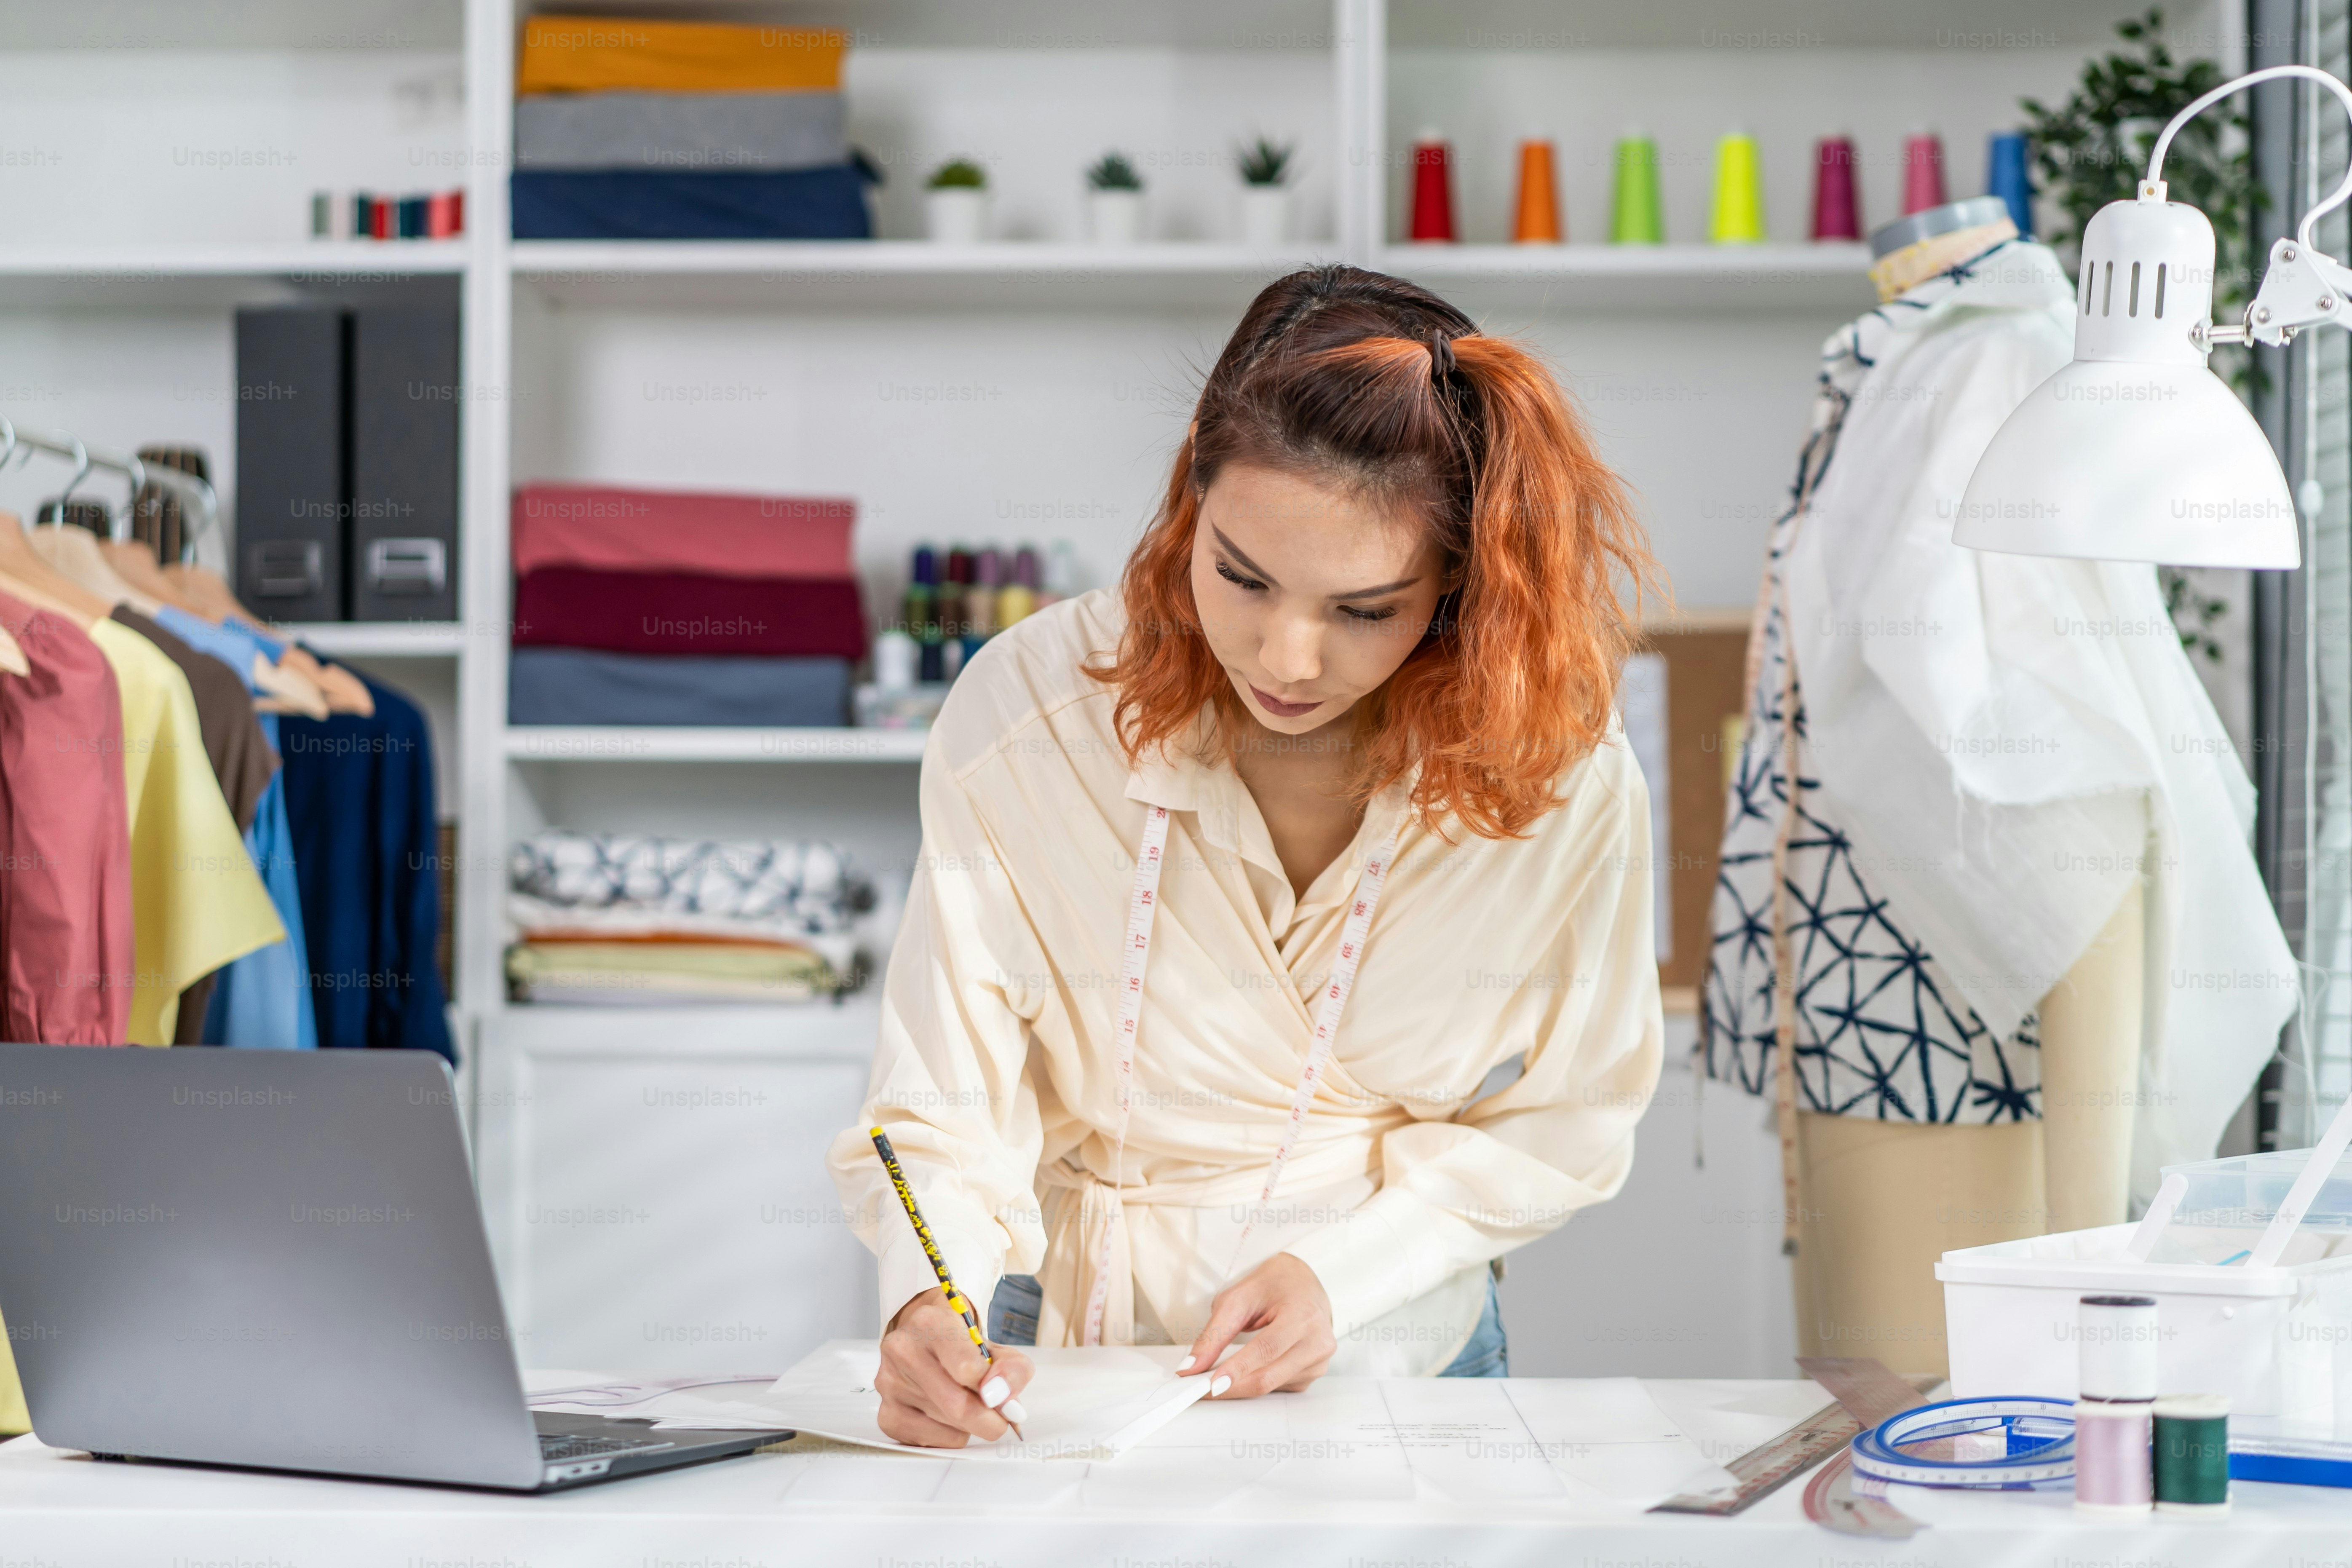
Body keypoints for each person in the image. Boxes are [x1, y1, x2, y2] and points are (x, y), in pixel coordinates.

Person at [827, 264, 1666, 1448]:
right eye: (1241, 574)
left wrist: (1354, 1273)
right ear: (1190, 495)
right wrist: (930, 1292)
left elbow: (1573, 1111)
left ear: (1459, 580)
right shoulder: (1028, 716)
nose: (1287, 655)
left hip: (1400, 1364)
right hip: (1080, 1374)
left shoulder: (1560, 770)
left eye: (1365, 609)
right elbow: (942, 1094)